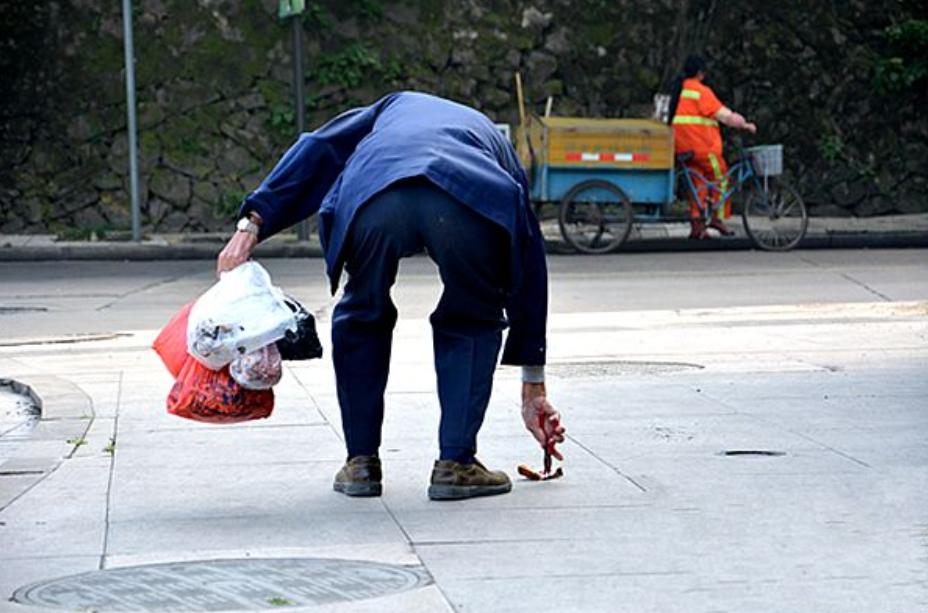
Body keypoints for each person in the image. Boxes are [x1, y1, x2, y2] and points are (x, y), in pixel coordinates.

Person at [216, 92, 566, 501]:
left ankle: (360, 463)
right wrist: (533, 388)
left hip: (376, 194)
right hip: (468, 197)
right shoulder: (493, 144)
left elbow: (319, 147)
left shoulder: (390, 109)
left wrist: (253, 223)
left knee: (363, 312)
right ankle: (456, 464)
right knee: (472, 316)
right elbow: (528, 265)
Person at [668, 55, 757, 239]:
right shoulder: (701, 91)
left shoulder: (680, 90)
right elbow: (724, 115)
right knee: (721, 176)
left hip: (684, 147)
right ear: (700, 73)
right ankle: (718, 217)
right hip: (703, 146)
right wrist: (745, 124)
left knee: (698, 183)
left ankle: (697, 225)